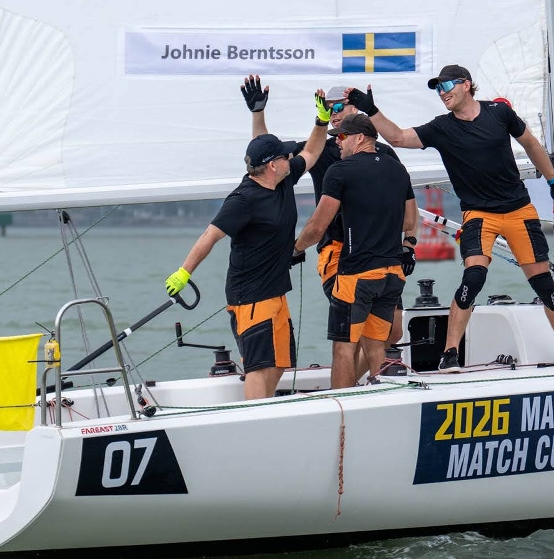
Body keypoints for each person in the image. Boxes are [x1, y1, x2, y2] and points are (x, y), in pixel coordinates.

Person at [347, 64, 554, 371]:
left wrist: (553, 182)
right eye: (437, 89)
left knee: (543, 284)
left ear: (466, 85)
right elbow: (399, 138)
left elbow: (531, 144)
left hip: (518, 210)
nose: (441, 93)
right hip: (479, 213)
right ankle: (450, 353)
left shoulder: (499, 113)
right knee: (473, 278)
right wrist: (372, 110)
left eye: (446, 86)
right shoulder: (441, 128)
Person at [240, 76, 415, 387]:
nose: (332, 114)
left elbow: (407, 208)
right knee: (353, 337)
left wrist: (408, 245)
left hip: (382, 256)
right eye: (326, 108)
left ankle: (353, 387)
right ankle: (347, 391)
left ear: (355, 111)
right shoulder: (324, 148)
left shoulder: (386, 156)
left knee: (391, 332)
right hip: (338, 253)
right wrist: (258, 113)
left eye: (338, 107)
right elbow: (267, 159)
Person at [163, 102, 326, 399]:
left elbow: (313, 152)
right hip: (250, 297)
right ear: (272, 165)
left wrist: (321, 120)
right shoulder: (243, 200)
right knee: (258, 367)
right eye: (285, 155)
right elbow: (210, 236)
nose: (290, 157)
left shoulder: (284, 179)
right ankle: (256, 416)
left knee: (280, 363)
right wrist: (184, 272)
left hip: (276, 292)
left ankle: (263, 408)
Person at [293, 114, 416, 385]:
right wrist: (404, 242)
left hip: (356, 276)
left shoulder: (340, 170)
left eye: (341, 136)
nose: (337, 142)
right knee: (375, 344)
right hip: (392, 275)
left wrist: (295, 249)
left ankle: (343, 405)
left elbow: (317, 226)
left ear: (359, 138)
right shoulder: (398, 169)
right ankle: (380, 396)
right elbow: (409, 222)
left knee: (343, 348)